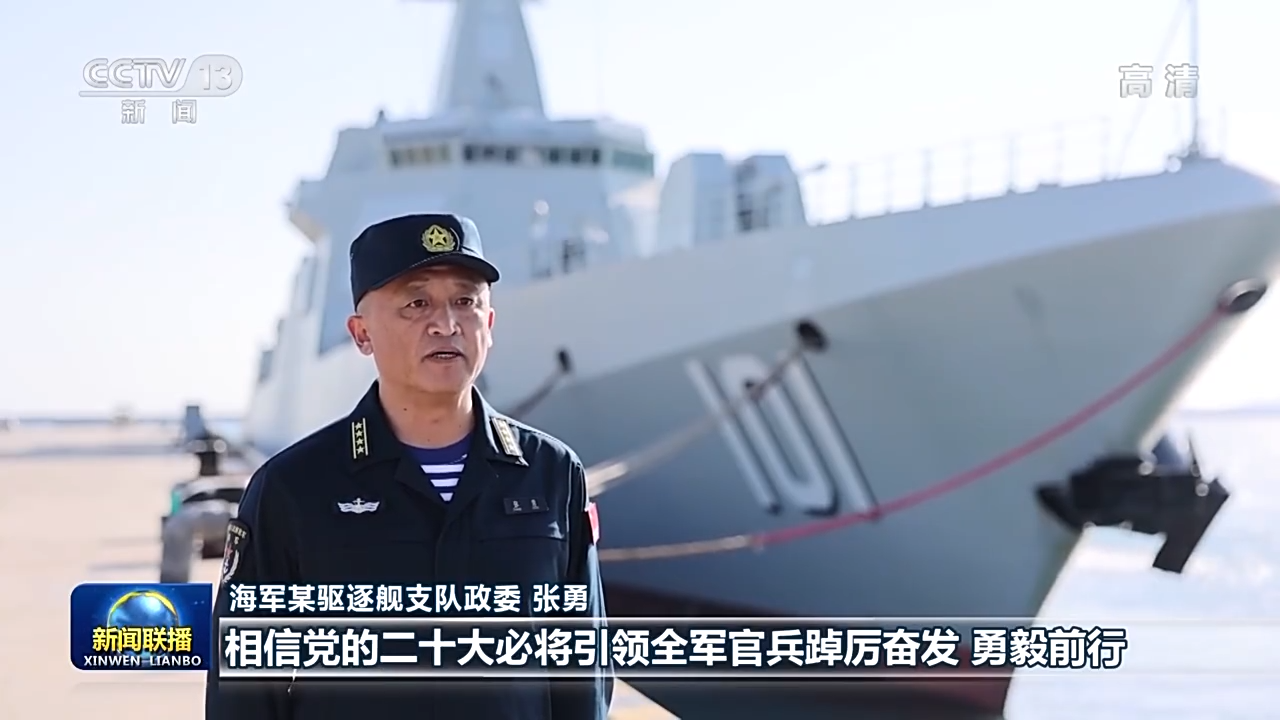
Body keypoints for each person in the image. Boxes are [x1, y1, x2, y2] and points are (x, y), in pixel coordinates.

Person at [206, 213, 613, 720]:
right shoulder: (294, 488)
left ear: (488, 325)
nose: (446, 324)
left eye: (465, 302)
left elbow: (582, 672)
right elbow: (244, 687)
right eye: (416, 304)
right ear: (361, 333)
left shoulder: (552, 474)